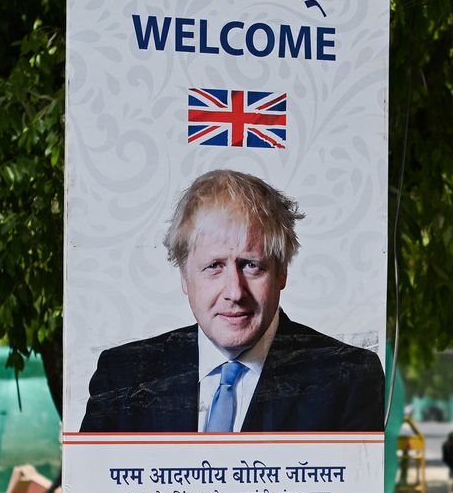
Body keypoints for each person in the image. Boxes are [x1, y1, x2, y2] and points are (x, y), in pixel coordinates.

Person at [79, 170, 386, 433]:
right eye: (214, 266)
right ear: (185, 278)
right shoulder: (121, 376)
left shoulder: (349, 378)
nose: (234, 292)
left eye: (251, 265)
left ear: (282, 274)